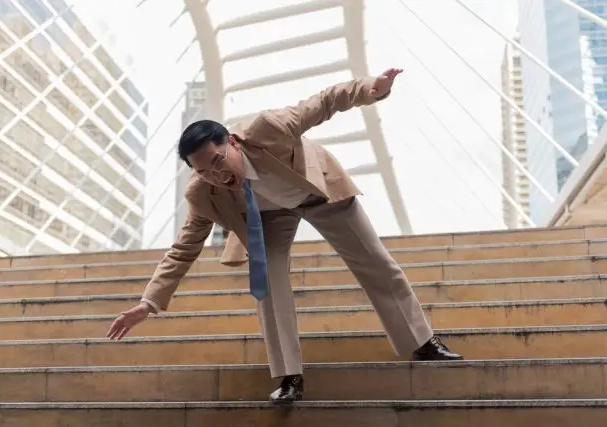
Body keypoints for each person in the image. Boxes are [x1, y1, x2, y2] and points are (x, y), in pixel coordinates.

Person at [106, 68, 462, 403]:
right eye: (204, 171)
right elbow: (183, 249)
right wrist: (148, 303)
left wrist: (370, 89)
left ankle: (423, 342)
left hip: (315, 192)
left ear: (231, 142)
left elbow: (323, 102)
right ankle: (290, 376)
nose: (216, 175)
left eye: (218, 161)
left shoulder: (268, 128)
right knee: (268, 283)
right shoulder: (203, 193)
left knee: (375, 261)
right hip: (268, 215)